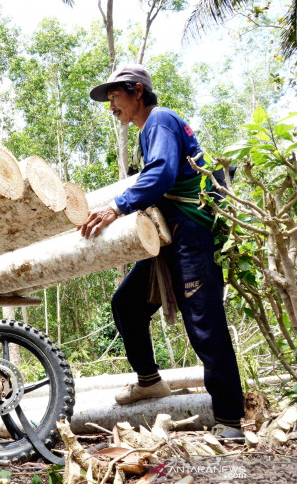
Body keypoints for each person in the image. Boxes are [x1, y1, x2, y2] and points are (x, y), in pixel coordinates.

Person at [81, 65, 245, 439]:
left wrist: (116, 207)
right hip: (169, 238)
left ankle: (230, 419)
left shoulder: (160, 120)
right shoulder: (150, 129)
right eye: (109, 100)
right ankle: (150, 380)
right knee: (127, 302)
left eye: (115, 96)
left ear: (137, 91)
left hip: (192, 233)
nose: (111, 105)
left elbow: (162, 175)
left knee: (203, 323)